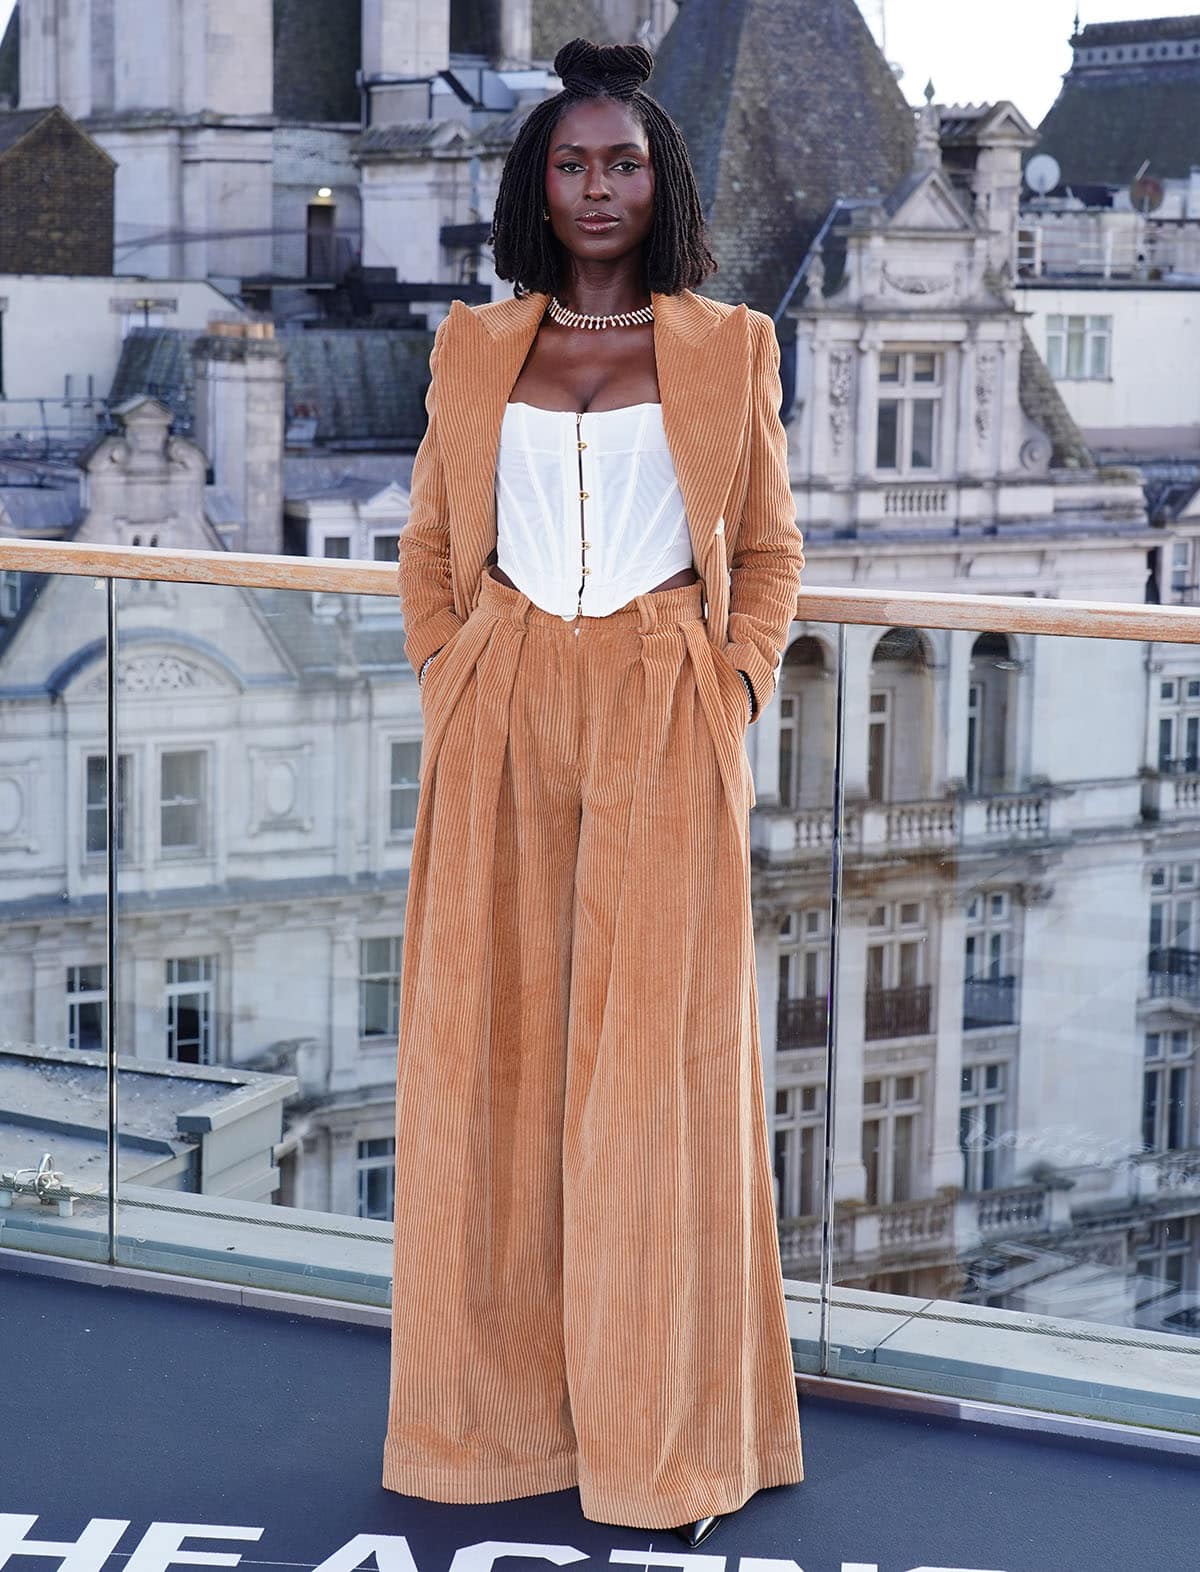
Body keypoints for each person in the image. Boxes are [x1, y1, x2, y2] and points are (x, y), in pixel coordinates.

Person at [382, 36, 806, 1546]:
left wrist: (731, 687)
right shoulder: (471, 348)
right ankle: (493, 1430)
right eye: (572, 162)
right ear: (536, 183)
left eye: (623, 161)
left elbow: (764, 553)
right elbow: (434, 546)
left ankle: (660, 1437)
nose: (598, 186)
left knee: (650, 1081)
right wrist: (453, 678)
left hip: (656, 705)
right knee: (487, 1066)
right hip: (500, 711)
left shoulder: (727, 344)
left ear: (662, 177)